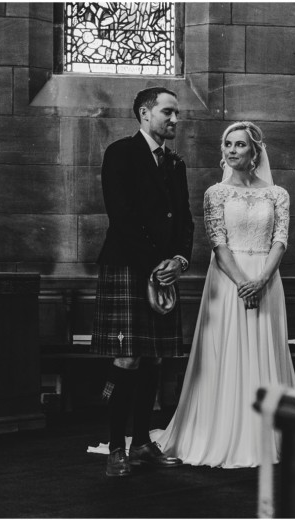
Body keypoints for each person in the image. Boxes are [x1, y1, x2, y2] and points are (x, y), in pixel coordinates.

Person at [153, 121, 295, 468]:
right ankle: (220, 431)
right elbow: (218, 244)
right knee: (226, 353)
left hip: (267, 278)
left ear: (255, 152)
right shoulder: (215, 193)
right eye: (228, 145)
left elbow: (281, 240)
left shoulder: (277, 194)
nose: (232, 150)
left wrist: (262, 279)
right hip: (227, 281)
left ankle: (266, 434)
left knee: (265, 352)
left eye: (240, 145)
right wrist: (242, 282)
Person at [90, 86, 194, 477]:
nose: (174, 120)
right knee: (126, 357)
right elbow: (121, 215)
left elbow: (185, 219)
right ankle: (117, 447)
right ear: (145, 113)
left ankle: (143, 443)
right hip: (128, 268)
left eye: (177, 113)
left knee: (155, 356)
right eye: (168, 112)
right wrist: (157, 263)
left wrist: (180, 259)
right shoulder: (121, 153)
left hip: (164, 269)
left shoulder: (175, 163)